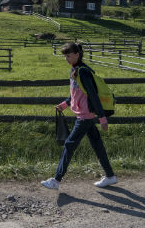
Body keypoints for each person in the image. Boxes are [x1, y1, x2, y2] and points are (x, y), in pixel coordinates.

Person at [41, 42, 117, 190]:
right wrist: (65, 104)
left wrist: (102, 118)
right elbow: (76, 93)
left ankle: (56, 180)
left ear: (77, 54)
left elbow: (93, 95)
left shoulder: (83, 72)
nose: (66, 59)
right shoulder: (74, 70)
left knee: (69, 145)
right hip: (84, 115)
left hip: (85, 116)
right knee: (97, 145)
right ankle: (110, 176)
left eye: (69, 55)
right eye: (65, 56)